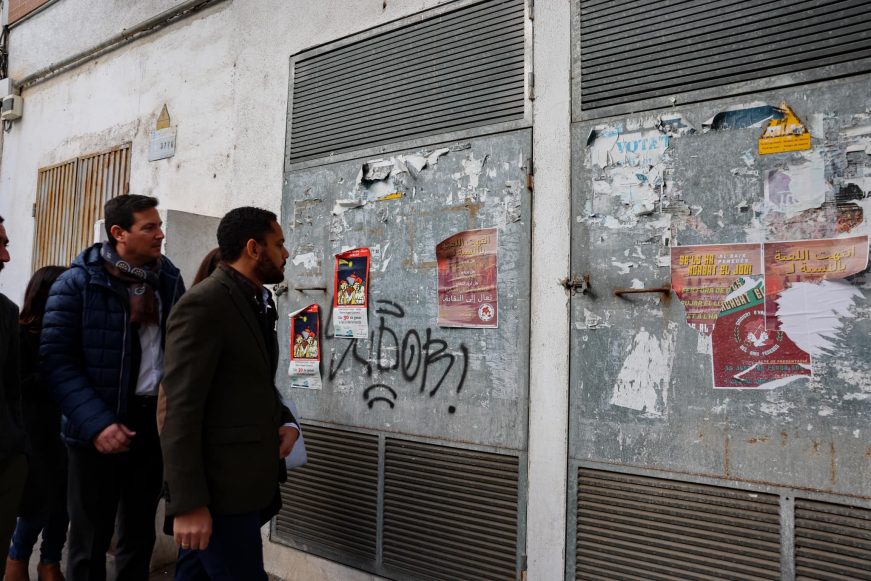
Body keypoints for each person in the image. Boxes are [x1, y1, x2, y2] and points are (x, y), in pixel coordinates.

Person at [40, 195, 185, 581]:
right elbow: (57, 361)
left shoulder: (168, 279)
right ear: (119, 233)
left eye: (159, 225)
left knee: (138, 536)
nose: (160, 234)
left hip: (152, 425)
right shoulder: (77, 283)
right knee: (89, 541)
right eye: (149, 227)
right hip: (95, 430)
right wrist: (97, 423)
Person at [161, 206, 298, 580]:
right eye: (279, 244)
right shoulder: (205, 303)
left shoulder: (255, 301)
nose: (285, 253)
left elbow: (251, 383)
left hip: (246, 484)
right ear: (253, 248)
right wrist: (187, 503)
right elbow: (178, 409)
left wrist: (286, 422)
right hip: (219, 492)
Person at [6, 266, 68, 581]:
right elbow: (18, 383)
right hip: (35, 431)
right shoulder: (20, 333)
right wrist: (56, 373)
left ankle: (50, 562)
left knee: (63, 502)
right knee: (36, 503)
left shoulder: (71, 333)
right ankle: (17, 559)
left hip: (67, 430)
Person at [0, 215, 28, 581]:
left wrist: (19, 450)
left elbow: (12, 391)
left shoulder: (6, 312)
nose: (6, 257)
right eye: (0, 245)